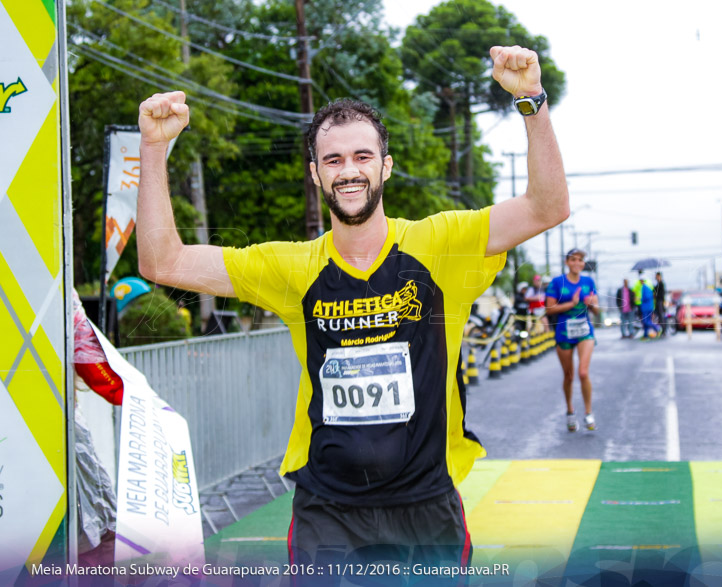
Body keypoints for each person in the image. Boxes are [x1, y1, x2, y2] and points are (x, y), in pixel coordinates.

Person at [135, 45, 569, 568]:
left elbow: (548, 207)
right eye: (333, 159)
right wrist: (154, 149)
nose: (349, 171)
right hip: (328, 513)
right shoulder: (292, 266)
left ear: (385, 166)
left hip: (426, 508)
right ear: (316, 174)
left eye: (362, 156)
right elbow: (163, 261)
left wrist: (530, 101)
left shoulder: (441, 244)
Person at [546, 248, 600, 432]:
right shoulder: (557, 282)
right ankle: (570, 410)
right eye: (573, 260)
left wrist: (591, 304)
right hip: (564, 332)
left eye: (581, 260)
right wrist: (571, 303)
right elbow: (549, 309)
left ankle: (588, 412)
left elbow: (597, 310)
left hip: (585, 330)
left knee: (583, 372)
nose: (577, 263)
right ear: (567, 262)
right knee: (569, 376)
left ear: (584, 264)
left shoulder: (588, 282)